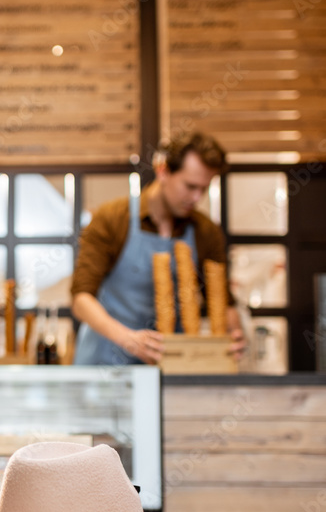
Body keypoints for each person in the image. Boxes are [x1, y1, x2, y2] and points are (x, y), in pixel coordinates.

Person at [70, 132, 246, 365]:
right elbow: (81, 299)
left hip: (173, 365)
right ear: (163, 171)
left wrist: (234, 336)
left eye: (203, 189)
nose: (196, 197)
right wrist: (128, 339)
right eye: (190, 186)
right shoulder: (112, 219)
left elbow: (222, 301)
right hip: (107, 362)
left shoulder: (206, 232)